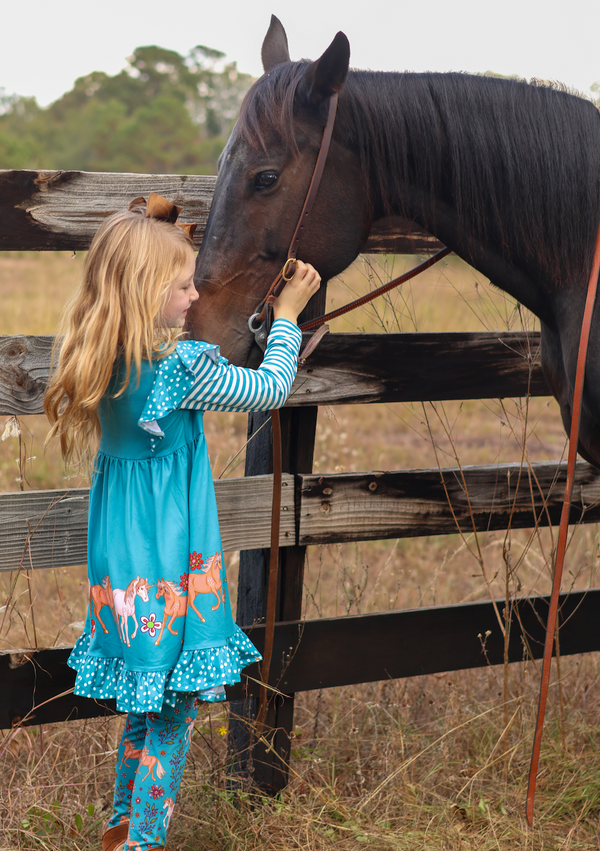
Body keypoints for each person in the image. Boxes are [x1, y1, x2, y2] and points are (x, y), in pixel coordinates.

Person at [44, 193, 321, 851]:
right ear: (146, 293)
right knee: (174, 715)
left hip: (121, 564)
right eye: (182, 283)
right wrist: (286, 317)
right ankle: (143, 843)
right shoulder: (182, 371)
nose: (196, 292)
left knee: (148, 708)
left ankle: (120, 831)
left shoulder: (102, 357)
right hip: (173, 563)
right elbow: (269, 389)